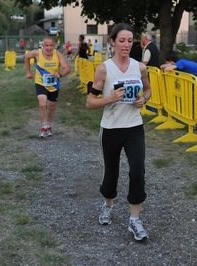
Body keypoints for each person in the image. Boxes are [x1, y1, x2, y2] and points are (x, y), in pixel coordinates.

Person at [86, 23, 152, 241]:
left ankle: (134, 220)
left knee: (137, 171)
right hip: (111, 128)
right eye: (121, 40)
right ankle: (107, 205)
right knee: (111, 172)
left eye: (130, 40)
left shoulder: (139, 67)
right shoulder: (104, 69)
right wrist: (109, 99)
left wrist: (144, 99)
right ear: (113, 42)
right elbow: (90, 102)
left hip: (133, 126)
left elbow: (148, 89)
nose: (126, 44)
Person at [25, 36, 71, 138]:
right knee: (42, 103)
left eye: (51, 45)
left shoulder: (57, 54)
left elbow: (67, 68)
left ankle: (49, 125)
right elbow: (27, 57)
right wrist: (28, 71)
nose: (49, 48)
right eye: (47, 45)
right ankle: (44, 125)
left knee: (51, 106)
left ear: (54, 46)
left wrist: (61, 74)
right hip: (40, 82)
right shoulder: (37, 53)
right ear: (43, 46)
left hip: (53, 84)